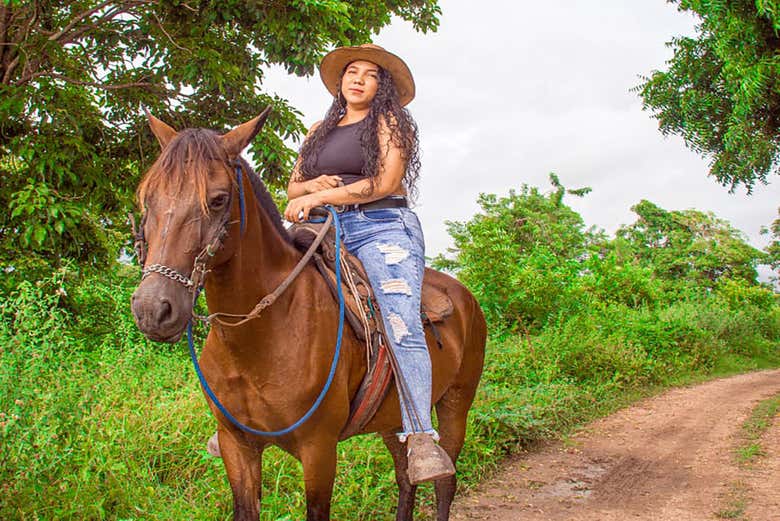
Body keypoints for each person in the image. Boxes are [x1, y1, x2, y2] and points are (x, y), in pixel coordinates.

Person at [283, 43, 455, 484]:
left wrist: (317, 195)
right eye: (351, 72)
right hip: (326, 227)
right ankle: (242, 413)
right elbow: (292, 188)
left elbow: (385, 182)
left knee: (401, 322)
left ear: (382, 87)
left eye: (370, 74)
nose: (357, 79)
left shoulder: (389, 122)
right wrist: (309, 187)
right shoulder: (320, 128)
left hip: (382, 227)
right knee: (270, 288)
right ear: (340, 82)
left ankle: (420, 438)